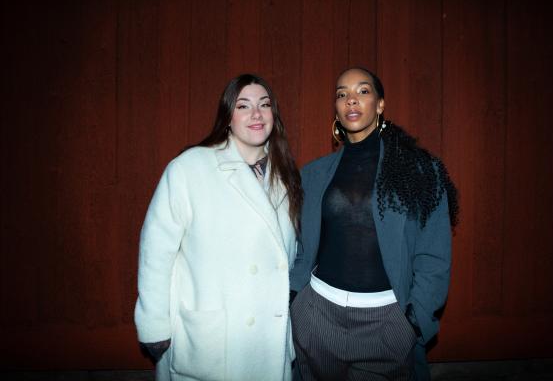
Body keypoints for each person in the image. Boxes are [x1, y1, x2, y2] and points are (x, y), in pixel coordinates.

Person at [289, 67, 459, 381]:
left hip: (387, 324)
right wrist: (295, 298)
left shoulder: (420, 171)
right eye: (342, 94)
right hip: (317, 317)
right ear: (336, 109)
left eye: (362, 91)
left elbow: (434, 255)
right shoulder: (312, 174)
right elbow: (300, 244)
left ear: (380, 104)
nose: (351, 100)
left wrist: (414, 321)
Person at [134, 74, 302, 381]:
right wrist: (154, 324)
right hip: (214, 337)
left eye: (264, 105)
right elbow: (156, 251)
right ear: (228, 117)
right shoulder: (190, 168)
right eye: (243, 106)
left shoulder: (284, 176)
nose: (256, 114)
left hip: (268, 338)